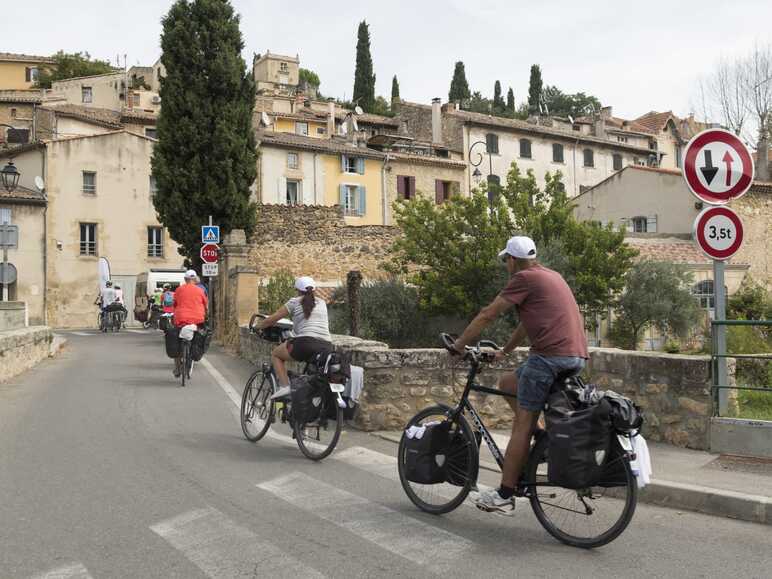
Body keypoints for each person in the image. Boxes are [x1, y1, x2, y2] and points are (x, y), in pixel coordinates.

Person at [450, 236, 588, 515]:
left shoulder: (523, 278)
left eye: (506, 261)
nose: (506, 265)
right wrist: (505, 351)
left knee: (520, 425)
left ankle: (505, 494)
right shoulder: (550, 276)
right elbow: (528, 323)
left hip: (549, 358)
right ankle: (542, 439)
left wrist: (459, 345)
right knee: (508, 382)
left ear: (512, 260)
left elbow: (488, 314)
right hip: (575, 356)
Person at [256, 276, 332, 400]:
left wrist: (257, 326)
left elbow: (272, 319)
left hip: (305, 343)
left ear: (298, 290)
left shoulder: (295, 302)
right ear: (314, 290)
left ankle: (285, 386)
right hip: (326, 346)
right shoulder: (322, 303)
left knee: (276, 354)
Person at [171, 270, 208, 377]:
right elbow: (206, 305)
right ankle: (191, 355)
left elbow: (175, 304)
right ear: (195, 279)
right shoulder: (200, 290)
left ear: (185, 279)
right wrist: (205, 314)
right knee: (197, 338)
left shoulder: (179, 290)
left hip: (181, 319)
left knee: (176, 342)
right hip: (197, 319)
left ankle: (177, 367)